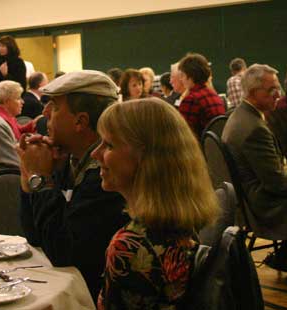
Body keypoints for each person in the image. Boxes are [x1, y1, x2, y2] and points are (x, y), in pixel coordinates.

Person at [93, 97, 219, 309]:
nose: (96, 154)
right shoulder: (180, 221)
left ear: (146, 159)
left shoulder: (130, 246)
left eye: (109, 145)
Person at [17, 70, 129, 301]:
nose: (44, 112)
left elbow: (63, 252)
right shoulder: (71, 160)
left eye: (55, 107)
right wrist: (31, 178)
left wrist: (42, 178)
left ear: (81, 121)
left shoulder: (105, 175)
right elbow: (35, 236)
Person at [222, 64, 287, 288]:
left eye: (277, 88)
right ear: (252, 92)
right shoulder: (254, 128)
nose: (277, 94)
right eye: (271, 90)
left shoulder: (241, 116)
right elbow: (276, 183)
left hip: (251, 198)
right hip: (265, 203)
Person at [178, 53, 225, 138]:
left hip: (197, 148)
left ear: (190, 76)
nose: (181, 79)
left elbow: (181, 134)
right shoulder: (215, 96)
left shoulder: (191, 100)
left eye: (182, 75)